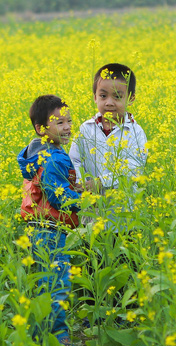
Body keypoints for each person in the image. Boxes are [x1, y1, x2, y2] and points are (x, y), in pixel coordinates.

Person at [17, 94, 82, 346]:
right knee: (58, 285)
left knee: (44, 284)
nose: (67, 127)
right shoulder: (53, 158)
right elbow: (57, 195)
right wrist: (83, 200)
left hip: (38, 230)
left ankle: (38, 338)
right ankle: (60, 340)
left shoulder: (39, 154)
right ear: (41, 129)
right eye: (59, 122)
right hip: (51, 232)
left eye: (69, 121)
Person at [69, 63, 147, 230]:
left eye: (117, 97)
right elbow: (74, 160)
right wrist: (80, 182)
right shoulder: (86, 129)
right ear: (95, 97)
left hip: (122, 219)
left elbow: (135, 168)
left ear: (131, 98)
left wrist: (101, 183)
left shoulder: (135, 132)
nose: (109, 103)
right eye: (103, 96)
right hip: (90, 217)